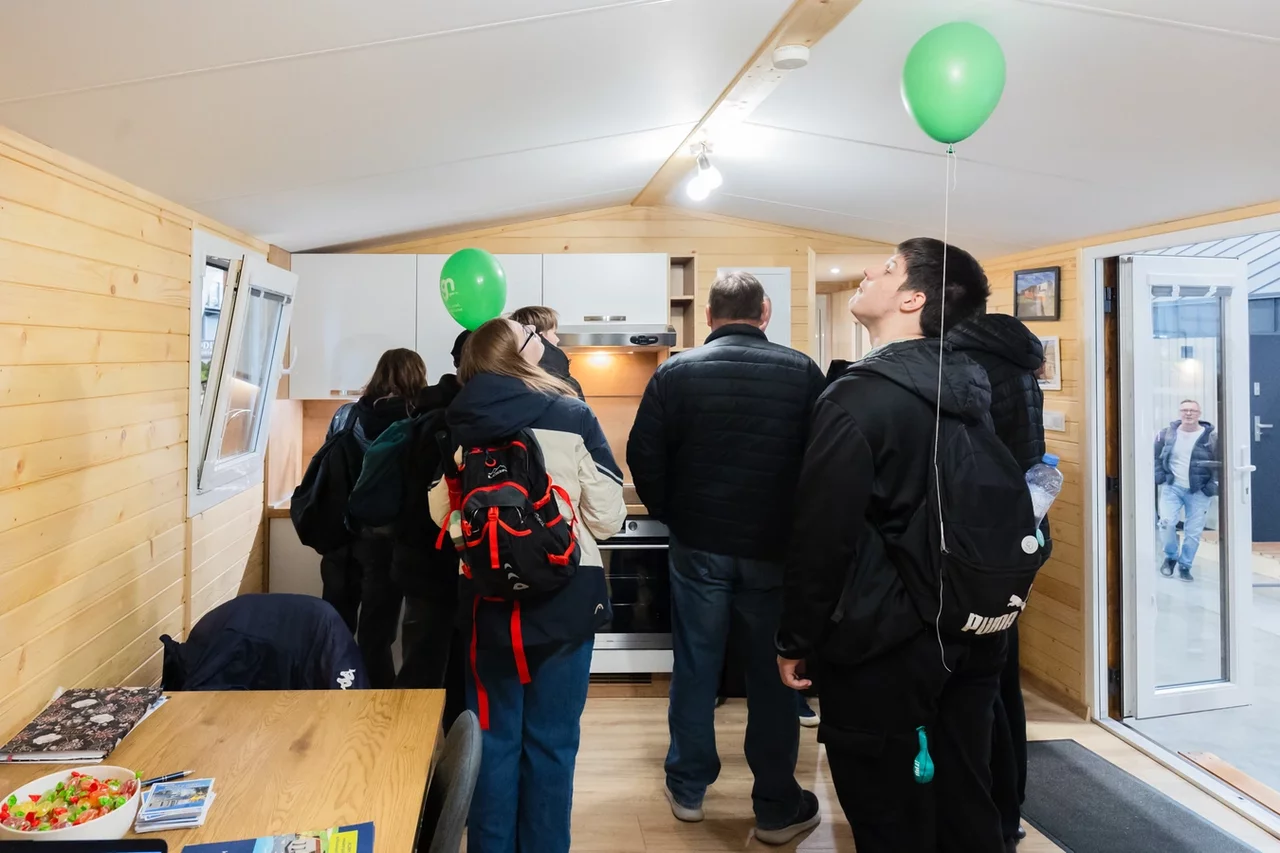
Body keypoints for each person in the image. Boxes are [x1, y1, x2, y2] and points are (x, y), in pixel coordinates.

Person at [777, 238, 998, 853]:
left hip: (882, 641)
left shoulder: (857, 396)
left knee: (885, 813)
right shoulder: (971, 385)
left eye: (889, 267)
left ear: (913, 299)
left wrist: (796, 639)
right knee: (963, 798)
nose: (869, 271)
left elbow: (822, 536)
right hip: (969, 626)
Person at [627, 272, 826, 844]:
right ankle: (776, 807)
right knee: (774, 674)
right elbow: (824, 460)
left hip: (699, 547)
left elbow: (643, 455)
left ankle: (688, 789)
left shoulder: (675, 372)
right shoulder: (803, 372)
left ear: (710, 317)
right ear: (764, 313)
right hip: (773, 552)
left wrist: (674, 513)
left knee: (696, 666)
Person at [429, 318, 626, 853]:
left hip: (488, 604)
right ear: (523, 355)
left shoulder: (458, 422)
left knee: (492, 744)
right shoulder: (572, 413)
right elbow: (608, 518)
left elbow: (442, 512)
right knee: (554, 745)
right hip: (566, 601)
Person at [949, 312, 1050, 849]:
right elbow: (1029, 464)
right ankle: (1007, 811)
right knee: (998, 684)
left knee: (973, 694)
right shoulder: (1018, 365)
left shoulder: (956, 364)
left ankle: (989, 814)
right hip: (1008, 546)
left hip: (966, 549)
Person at [323, 348, 427, 688]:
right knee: (376, 632)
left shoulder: (346, 416)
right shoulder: (418, 421)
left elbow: (327, 465)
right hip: (388, 540)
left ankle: (332, 693)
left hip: (342, 533)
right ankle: (377, 698)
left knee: (335, 623)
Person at [1154, 399, 1218, 582]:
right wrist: (1160, 477)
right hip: (1172, 487)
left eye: (1192, 411)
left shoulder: (1211, 438)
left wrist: (1211, 487)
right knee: (1166, 523)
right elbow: (1155, 457)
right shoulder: (1167, 434)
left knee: (1193, 532)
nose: (1188, 414)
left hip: (1199, 490)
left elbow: (1219, 463)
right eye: (1184, 410)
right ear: (1179, 412)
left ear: (1199, 414)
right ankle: (1170, 557)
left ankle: (1185, 565)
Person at [509, 305, 585, 399]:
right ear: (540, 337)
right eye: (554, 333)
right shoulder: (561, 382)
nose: (557, 339)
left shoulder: (510, 378)